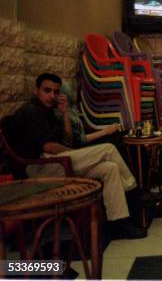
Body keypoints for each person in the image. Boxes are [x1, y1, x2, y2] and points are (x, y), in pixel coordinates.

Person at [8, 73, 147, 239]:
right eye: (47, 91)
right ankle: (135, 194)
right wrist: (74, 154)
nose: (52, 96)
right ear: (36, 90)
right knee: (108, 148)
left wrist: (65, 113)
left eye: (55, 92)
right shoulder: (31, 112)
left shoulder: (49, 112)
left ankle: (118, 223)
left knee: (110, 168)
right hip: (38, 167)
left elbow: (68, 140)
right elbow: (50, 147)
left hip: (55, 162)